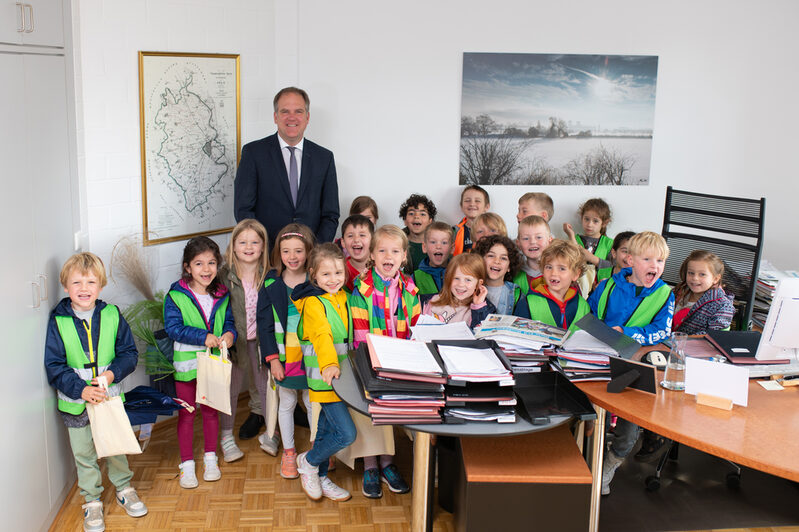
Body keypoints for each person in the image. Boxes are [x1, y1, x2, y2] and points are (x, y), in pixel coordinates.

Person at [45, 252, 147, 532]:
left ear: (100, 285)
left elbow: (128, 353)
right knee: (84, 454)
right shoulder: (58, 320)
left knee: (114, 446)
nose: (84, 289)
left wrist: (110, 374)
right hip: (74, 402)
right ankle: (91, 501)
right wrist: (81, 390)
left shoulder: (112, 314)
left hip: (109, 397)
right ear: (65, 286)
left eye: (90, 282)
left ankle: (124, 488)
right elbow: (54, 365)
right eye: (76, 282)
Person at [587, 231, 675, 495]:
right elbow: (589, 315)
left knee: (628, 424)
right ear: (630, 260)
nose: (655, 266)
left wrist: (629, 333)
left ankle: (611, 463)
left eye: (660, 261)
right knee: (593, 416)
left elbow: (663, 331)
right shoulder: (606, 285)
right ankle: (587, 458)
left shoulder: (664, 295)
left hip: (634, 361)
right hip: (598, 358)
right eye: (648, 259)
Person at [636, 249, 735, 462]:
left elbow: (712, 341)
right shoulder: (678, 291)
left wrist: (676, 343)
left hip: (695, 357)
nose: (694, 279)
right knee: (639, 368)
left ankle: (658, 434)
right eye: (691, 273)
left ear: (716, 278)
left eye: (702, 275)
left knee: (658, 378)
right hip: (664, 347)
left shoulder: (722, 304)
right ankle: (643, 426)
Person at [350, 225, 418, 498]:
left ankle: (388, 463)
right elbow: (360, 334)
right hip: (372, 361)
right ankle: (370, 465)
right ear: (372, 255)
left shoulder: (410, 290)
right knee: (370, 412)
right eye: (382, 250)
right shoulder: (362, 291)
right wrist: (378, 363)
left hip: (401, 361)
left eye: (395, 251)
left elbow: (415, 329)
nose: (388, 256)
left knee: (391, 413)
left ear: (403, 256)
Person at [164, 237, 237, 489]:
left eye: (211, 263)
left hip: (213, 364)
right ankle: (186, 464)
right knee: (187, 413)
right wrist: (203, 337)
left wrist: (230, 335)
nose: (206, 269)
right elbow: (173, 328)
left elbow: (228, 323)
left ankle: (210, 458)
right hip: (186, 366)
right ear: (187, 267)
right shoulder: (175, 295)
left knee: (210, 411)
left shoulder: (222, 294)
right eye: (199, 264)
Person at [234, 87, 339, 247]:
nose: (292, 117)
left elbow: (330, 214)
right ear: (275, 117)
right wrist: (265, 250)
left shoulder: (324, 158)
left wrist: (315, 251)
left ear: (307, 117)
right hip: (267, 257)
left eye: (298, 111)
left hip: (310, 256)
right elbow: (244, 211)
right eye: (285, 111)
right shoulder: (253, 153)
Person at [293, 243, 357, 502]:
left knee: (324, 430)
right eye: (327, 274)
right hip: (325, 378)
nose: (334, 279)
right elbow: (321, 335)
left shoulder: (343, 296)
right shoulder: (312, 303)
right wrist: (329, 364)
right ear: (313, 275)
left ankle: (319, 475)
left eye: (339, 273)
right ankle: (308, 462)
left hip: (345, 378)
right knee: (346, 433)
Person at [258, 224, 316, 479]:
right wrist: (273, 360)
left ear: (309, 251)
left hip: (312, 357)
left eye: (298, 251)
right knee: (288, 402)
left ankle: (317, 450)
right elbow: (265, 325)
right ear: (278, 253)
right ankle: (290, 452)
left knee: (314, 403)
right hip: (284, 357)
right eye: (286, 251)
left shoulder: (316, 281)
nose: (292, 257)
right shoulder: (271, 283)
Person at [219, 219, 278, 463]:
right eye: (242, 242)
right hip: (234, 342)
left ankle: (271, 433)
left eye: (255, 242)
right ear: (233, 246)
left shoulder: (270, 275)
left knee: (266, 389)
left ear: (263, 246)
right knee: (230, 391)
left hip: (262, 341)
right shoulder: (224, 276)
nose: (248, 247)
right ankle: (225, 437)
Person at [514, 239, 589, 331]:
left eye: (562, 268)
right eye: (549, 267)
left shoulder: (583, 306)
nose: (554, 273)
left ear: (576, 274)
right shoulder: (527, 303)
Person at [422, 253, 496, 327]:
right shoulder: (432, 301)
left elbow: (482, 334)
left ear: (479, 283)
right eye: (456, 278)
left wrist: (478, 306)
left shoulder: (484, 309)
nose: (461, 284)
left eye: (468, 280)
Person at [563, 198, 615, 291]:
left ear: (604, 223)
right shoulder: (575, 239)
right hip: (577, 289)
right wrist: (571, 236)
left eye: (595, 221)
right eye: (586, 219)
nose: (589, 224)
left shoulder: (609, 244)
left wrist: (592, 259)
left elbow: (613, 266)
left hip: (600, 290)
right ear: (581, 218)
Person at [472, 234, 524, 315]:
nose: (497, 261)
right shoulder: (470, 288)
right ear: (480, 260)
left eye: (503, 258)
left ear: (509, 267)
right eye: (491, 255)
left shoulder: (516, 293)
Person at [414, 221, 454, 304]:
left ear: (452, 248)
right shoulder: (415, 277)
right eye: (433, 242)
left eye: (444, 242)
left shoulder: (458, 273)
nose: (438, 246)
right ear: (424, 247)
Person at [514, 215, 553, 295]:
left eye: (538, 237)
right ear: (518, 244)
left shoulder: (558, 272)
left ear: (550, 241)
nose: (532, 242)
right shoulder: (515, 276)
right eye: (526, 238)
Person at [399, 194, 436, 272]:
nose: (416, 217)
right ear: (405, 220)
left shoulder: (438, 244)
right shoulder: (397, 242)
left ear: (430, 221)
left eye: (422, 214)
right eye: (411, 213)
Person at [453, 185, 490, 255]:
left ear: (486, 207)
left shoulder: (493, 231)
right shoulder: (454, 231)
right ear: (461, 206)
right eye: (467, 200)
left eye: (477, 201)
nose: (472, 204)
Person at [340, 214, 374, 291]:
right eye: (350, 236)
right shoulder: (339, 270)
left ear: (372, 240)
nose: (356, 240)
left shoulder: (380, 267)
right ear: (343, 242)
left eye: (362, 235)